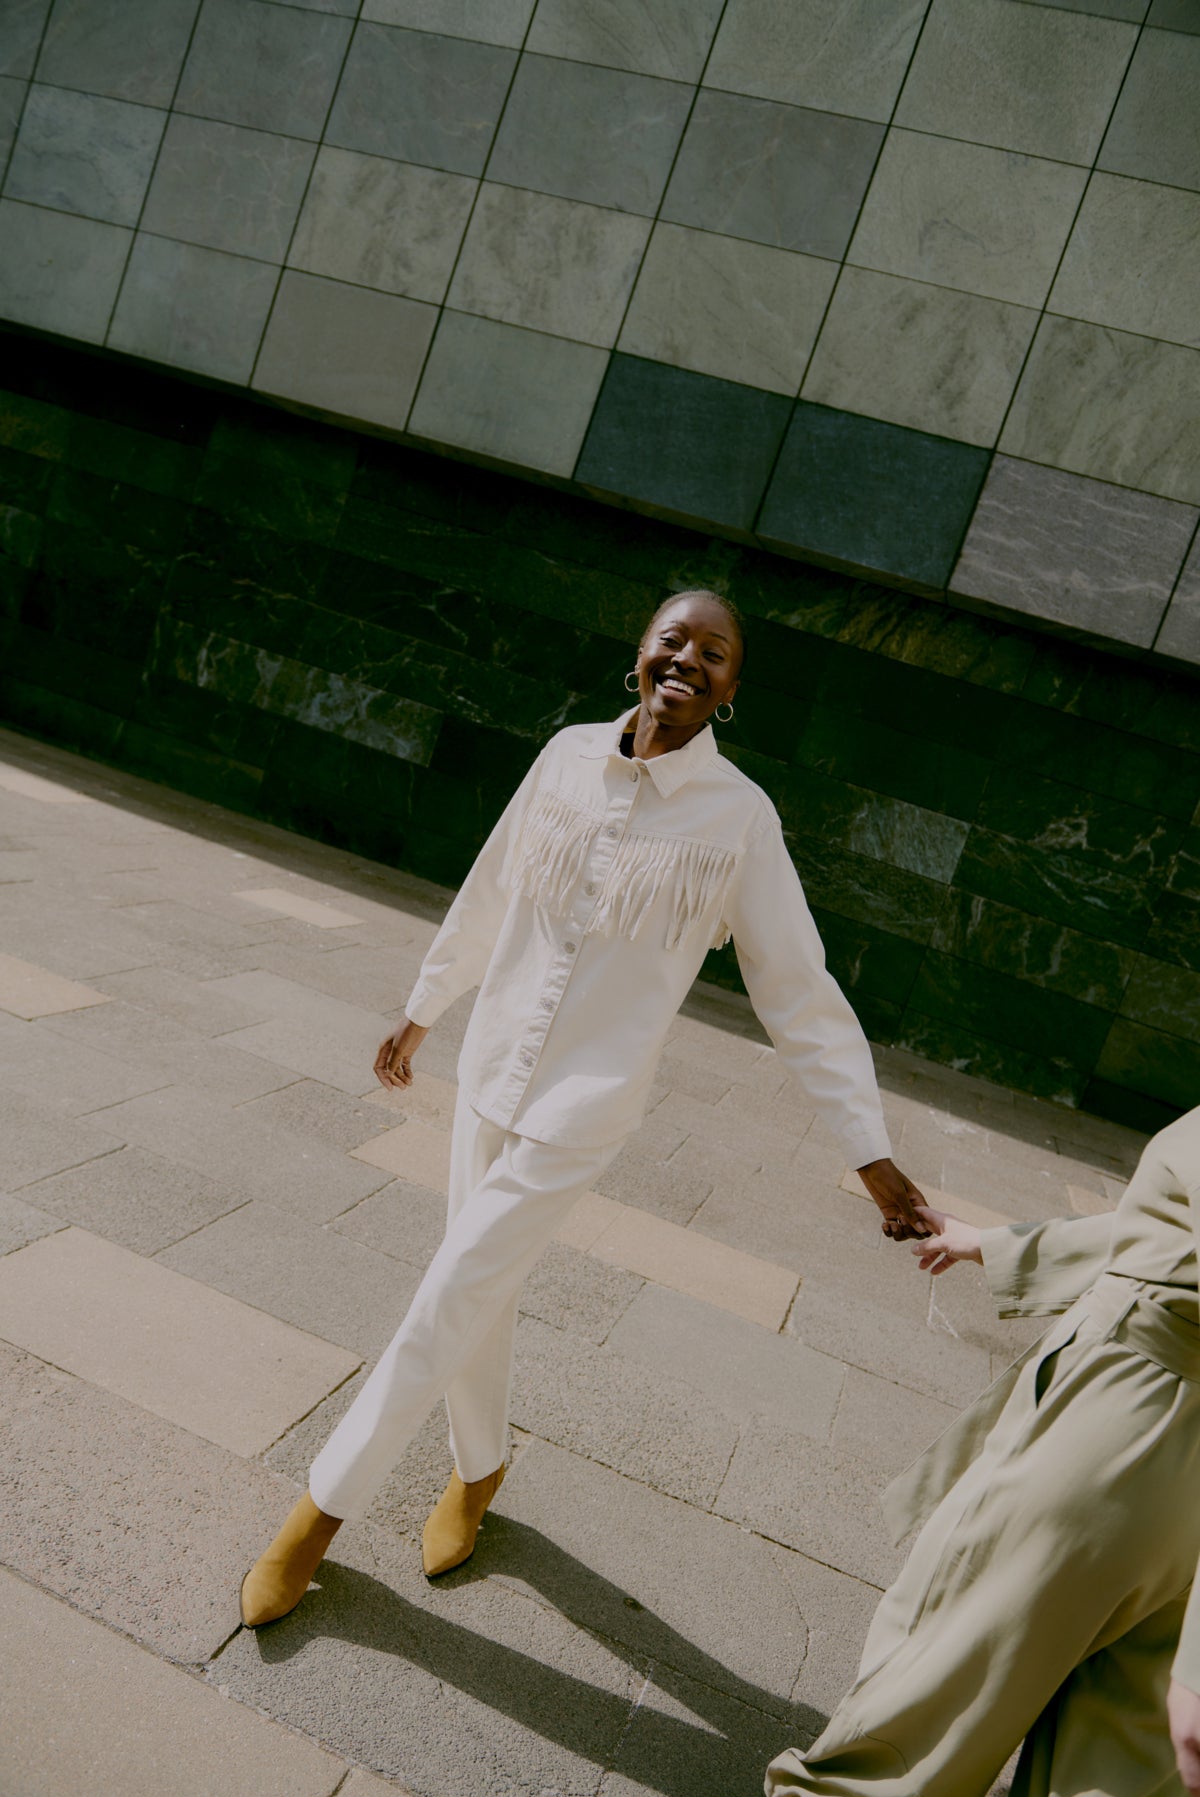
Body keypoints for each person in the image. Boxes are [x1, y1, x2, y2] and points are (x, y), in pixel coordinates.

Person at [239, 589, 929, 1629]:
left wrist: (869, 1152)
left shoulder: (739, 819)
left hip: (582, 1110)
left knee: (447, 1293)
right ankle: (480, 1466)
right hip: (491, 1068)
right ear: (640, 652)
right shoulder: (566, 755)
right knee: (480, 1292)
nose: (688, 658)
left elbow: (797, 989)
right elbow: (493, 886)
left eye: (715, 652)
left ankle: (316, 1515)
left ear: (733, 688)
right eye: (673, 638)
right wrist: (425, 1010)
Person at [765, 1104, 1200, 1797]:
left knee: (920, 1723)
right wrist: (1002, 1247)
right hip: (1173, 1480)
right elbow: (1168, 1234)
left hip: (1114, 1435)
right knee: (1116, 1765)